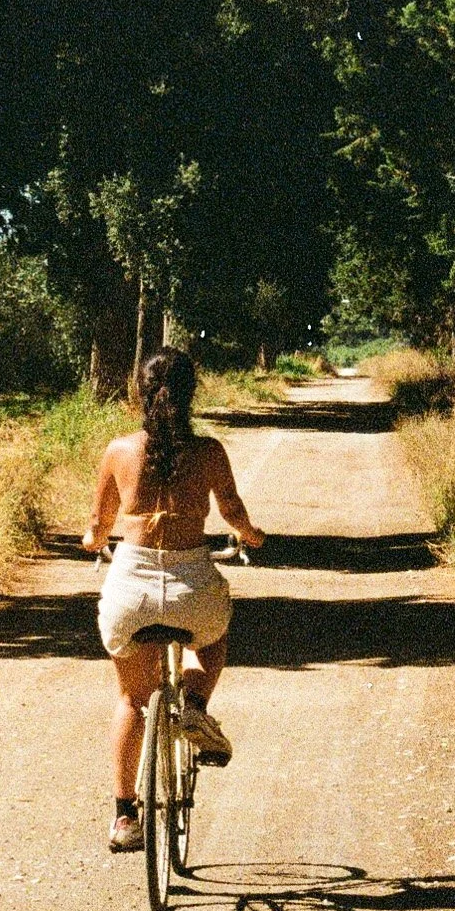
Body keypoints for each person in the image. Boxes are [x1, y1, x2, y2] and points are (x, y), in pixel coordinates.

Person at [84, 346, 265, 852]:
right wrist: (252, 536)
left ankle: (124, 815)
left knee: (131, 700)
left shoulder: (119, 452)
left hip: (133, 591)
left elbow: (97, 528)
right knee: (214, 634)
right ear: (191, 393)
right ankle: (195, 702)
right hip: (191, 585)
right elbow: (232, 512)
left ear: (139, 391)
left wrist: (91, 541)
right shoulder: (208, 452)